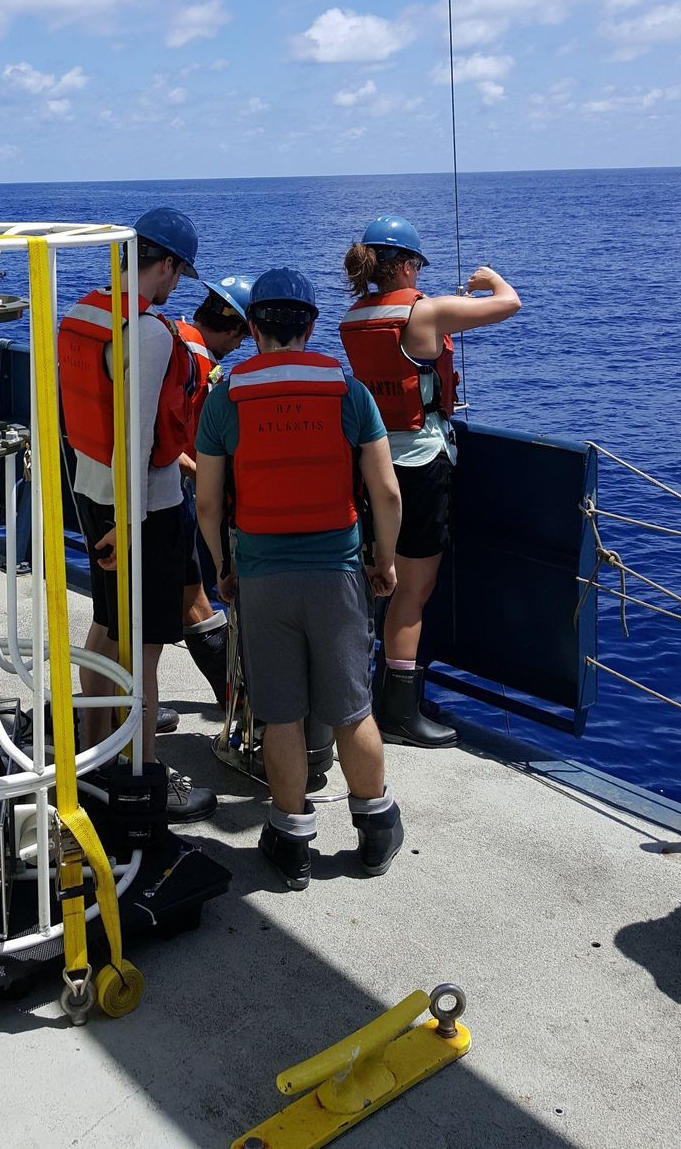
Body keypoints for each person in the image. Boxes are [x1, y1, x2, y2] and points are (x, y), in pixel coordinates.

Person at [195, 267, 404, 892]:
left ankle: (291, 842)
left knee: (281, 715)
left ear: (253, 326)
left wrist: (224, 566)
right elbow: (387, 493)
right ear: (311, 326)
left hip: (262, 576)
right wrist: (385, 561)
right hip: (337, 572)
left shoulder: (226, 397)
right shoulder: (348, 391)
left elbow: (207, 503)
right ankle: (375, 830)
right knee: (352, 709)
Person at [58, 206, 217, 823]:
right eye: (179, 273)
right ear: (167, 264)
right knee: (144, 653)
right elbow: (138, 433)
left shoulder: (84, 313)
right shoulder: (147, 331)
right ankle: (143, 780)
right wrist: (130, 526)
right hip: (141, 511)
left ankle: (95, 751)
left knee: (107, 625)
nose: (177, 286)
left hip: (91, 490)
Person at [340, 213, 522, 749]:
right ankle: (399, 711)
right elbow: (510, 303)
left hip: (371, 462)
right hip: (421, 463)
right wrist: (490, 280)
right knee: (412, 590)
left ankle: (376, 693)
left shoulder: (354, 317)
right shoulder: (427, 312)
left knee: (379, 577)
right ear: (405, 265)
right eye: (417, 265)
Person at [175, 275, 254, 706]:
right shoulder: (194, 360)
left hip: (156, 488)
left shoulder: (177, 338)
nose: (240, 346)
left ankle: (119, 703)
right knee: (191, 596)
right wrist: (199, 476)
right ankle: (237, 697)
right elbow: (160, 434)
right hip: (164, 493)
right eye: (242, 337)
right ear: (233, 329)